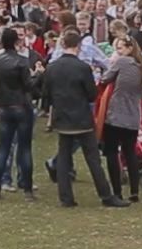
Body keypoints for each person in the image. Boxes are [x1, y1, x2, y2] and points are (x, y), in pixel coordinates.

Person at [45, 31, 129, 209]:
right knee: (93, 159)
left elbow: (46, 94)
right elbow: (91, 94)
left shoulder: (52, 67)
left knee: (64, 157)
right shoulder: (82, 68)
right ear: (79, 46)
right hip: (82, 118)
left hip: (62, 117)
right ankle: (106, 195)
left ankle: (66, 197)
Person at [102, 35, 142, 203]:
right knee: (129, 152)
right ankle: (134, 191)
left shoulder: (122, 62)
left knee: (111, 153)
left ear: (130, 49)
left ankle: (117, 191)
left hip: (116, 115)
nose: (118, 52)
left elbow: (105, 78)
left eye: (120, 48)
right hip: (133, 117)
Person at [0, 27, 38, 202]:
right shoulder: (21, 61)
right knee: (24, 149)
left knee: (3, 148)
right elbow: (28, 86)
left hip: (5, 106)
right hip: (22, 106)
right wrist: (38, 75)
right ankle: (27, 190)